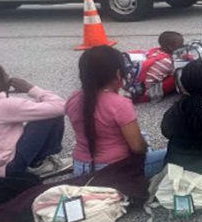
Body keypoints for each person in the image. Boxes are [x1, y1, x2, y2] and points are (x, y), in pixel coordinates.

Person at [66, 46, 167, 178]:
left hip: (81, 167)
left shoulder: (74, 98)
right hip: (114, 170)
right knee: (169, 153)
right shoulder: (120, 104)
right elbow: (137, 147)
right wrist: (145, 145)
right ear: (119, 73)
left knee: (142, 135)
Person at [128, 31, 183, 103]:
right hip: (147, 92)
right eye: (180, 44)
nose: (182, 46)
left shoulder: (156, 51)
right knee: (178, 75)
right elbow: (149, 83)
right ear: (171, 47)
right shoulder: (166, 61)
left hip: (138, 83)